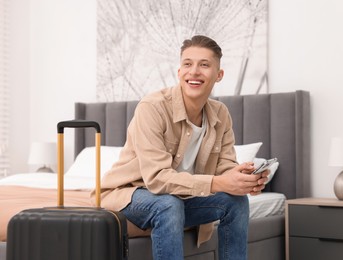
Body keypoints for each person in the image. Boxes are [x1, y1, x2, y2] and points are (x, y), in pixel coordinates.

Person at [95, 35, 269, 260]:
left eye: (204, 65)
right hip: (128, 194)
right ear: (179, 72)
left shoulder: (220, 114)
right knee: (168, 204)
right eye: (187, 64)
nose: (194, 71)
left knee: (235, 202)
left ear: (219, 75)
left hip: (179, 198)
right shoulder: (153, 108)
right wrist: (218, 183)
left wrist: (243, 180)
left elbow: (225, 165)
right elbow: (157, 179)